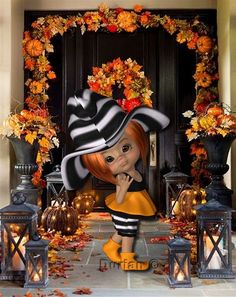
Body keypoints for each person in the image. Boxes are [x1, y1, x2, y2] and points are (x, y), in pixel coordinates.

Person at [61, 89, 169, 271]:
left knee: (125, 230)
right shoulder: (121, 177)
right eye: (109, 159)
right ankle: (127, 259)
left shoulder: (132, 170)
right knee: (128, 232)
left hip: (132, 206)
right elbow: (119, 200)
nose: (121, 158)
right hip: (124, 207)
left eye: (125, 147)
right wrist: (123, 189)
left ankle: (112, 246)